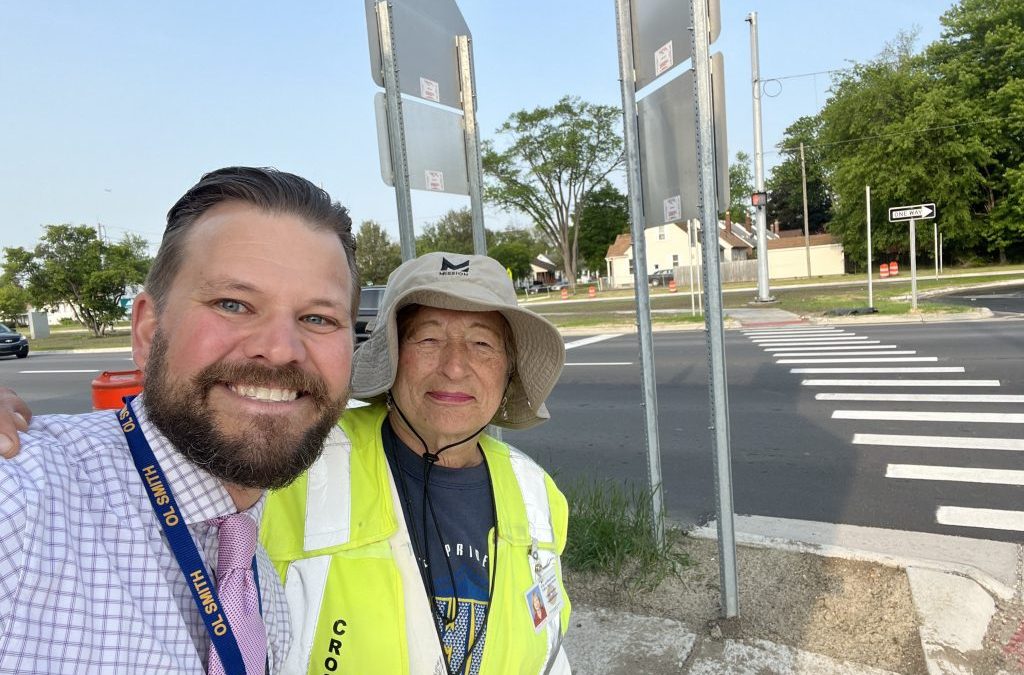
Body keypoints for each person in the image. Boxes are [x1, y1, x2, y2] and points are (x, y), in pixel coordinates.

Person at [0, 250, 573, 675]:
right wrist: (24, 433)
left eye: (481, 344)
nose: (454, 368)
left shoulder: (535, 490)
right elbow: (166, 448)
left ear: (507, 371)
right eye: (427, 339)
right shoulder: (298, 452)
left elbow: (549, 647)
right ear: (391, 358)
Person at [0, 166, 358, 673]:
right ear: (147, 331)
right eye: (233, 304)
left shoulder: (260, 586)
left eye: (318, 318)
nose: (281, 350)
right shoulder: (23, 501)